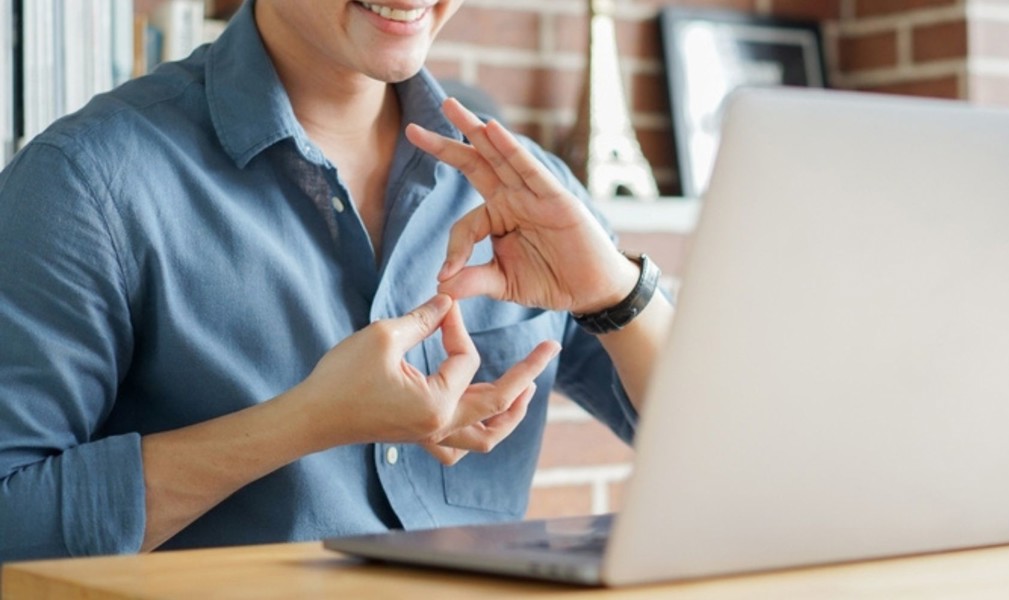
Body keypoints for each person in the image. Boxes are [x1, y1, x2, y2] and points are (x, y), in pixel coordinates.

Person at [0, 0, 671, 562]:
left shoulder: (530, 188)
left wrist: (617, 295)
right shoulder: (84, 183)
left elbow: (735, 450)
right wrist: (305, 423)